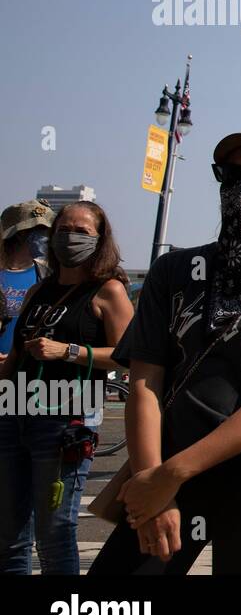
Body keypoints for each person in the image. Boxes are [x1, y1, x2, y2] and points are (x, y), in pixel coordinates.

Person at [89, 134, 241, 575]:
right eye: (228, 176)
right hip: (168, 462)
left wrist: (171, 475)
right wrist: (152, 481)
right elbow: (144, 381)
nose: (240, 189)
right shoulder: (174, 270)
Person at [1, 201, 133, 574]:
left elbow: (129, 356)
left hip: (66, 419)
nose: (69, 238)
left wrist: (69, 351)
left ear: (99, 239)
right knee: (9, 533)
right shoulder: (38, 292)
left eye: (81, 232)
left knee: (54, 532)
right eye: (63, 230)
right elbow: (13, 359)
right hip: (14, 413)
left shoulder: (109, 291)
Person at [1, 200, 54, 362]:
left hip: (23, 369)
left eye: (48, 231)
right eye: (38, 230)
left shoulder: (48, 275)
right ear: (18, 234)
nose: (45, 236)